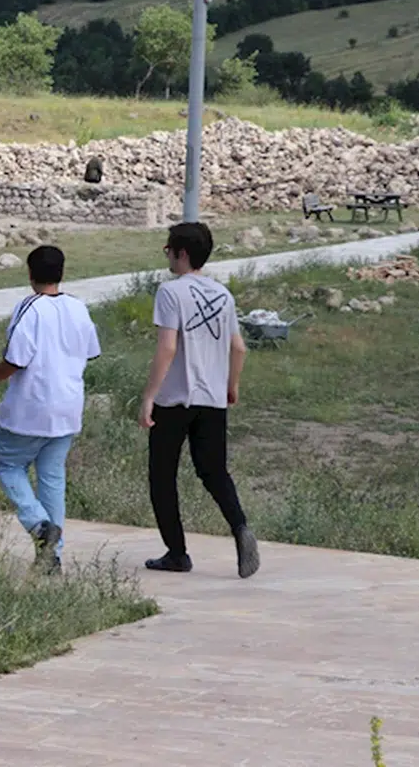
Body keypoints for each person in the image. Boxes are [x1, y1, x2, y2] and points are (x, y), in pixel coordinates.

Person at [0, 245, 100, 575]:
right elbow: (90, 352)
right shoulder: (78, 308)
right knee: (52, 478)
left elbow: (15, 360)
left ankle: (39, 525)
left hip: (30, 408)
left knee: (8, 466)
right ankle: (52, 556)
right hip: (68, 408)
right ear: (62, 273)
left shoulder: (29, 308)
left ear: (30, 274)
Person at [137, 222, 259, 579]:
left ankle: (177, 553)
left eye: (169, 250)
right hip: (212, 398)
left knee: (163, 476)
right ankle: (239, 526)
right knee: (214, 471)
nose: (167, 256)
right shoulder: (223, 295)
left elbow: (168, 347)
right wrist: (231, 385)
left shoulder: (170, 292)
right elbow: (239, 347)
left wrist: (149, 396)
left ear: (182, 253)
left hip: (175, 398)